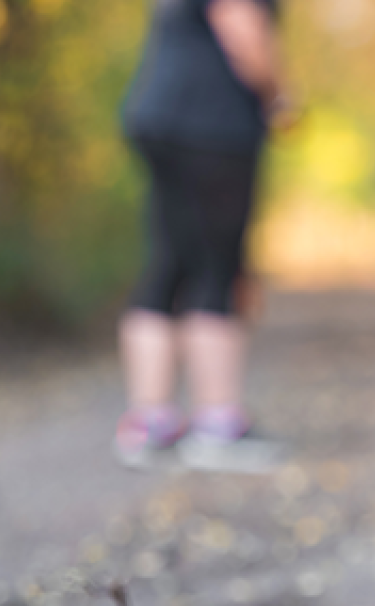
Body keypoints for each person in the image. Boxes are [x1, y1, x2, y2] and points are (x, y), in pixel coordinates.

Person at [116, 0, 290, 472]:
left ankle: (149, 421)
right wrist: (280, 96)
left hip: (158, 113)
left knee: (168, 263)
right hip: (213, 124)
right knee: (218, 265)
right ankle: (216, 423)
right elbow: (240, 24)